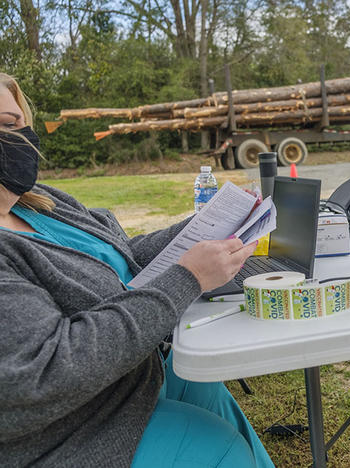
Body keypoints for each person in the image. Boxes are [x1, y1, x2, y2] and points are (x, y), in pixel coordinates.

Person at [0, 73, 275, 467]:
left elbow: (121, 256)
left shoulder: (39, 202)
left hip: (133, 372)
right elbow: (44, 374)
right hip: (68, 430)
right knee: (220, 446)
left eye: (13, 124)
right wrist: (188, 277)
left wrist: (204, 229)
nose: (12, 138)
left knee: (203, 387)